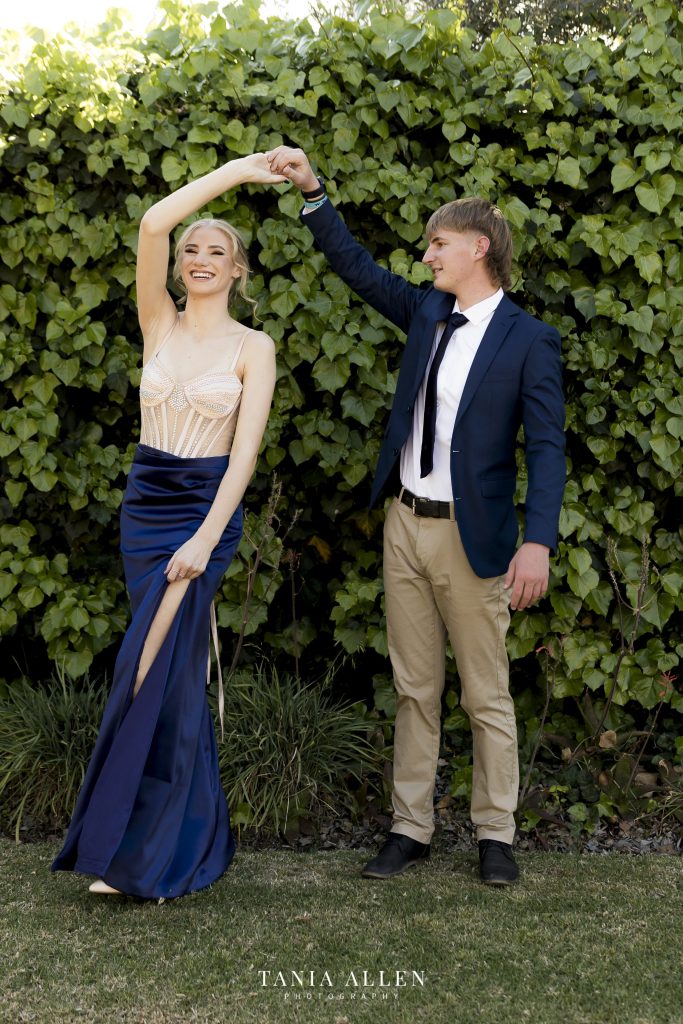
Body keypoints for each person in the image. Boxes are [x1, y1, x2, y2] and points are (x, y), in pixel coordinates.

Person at [266, 146, 565, 885]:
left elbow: (547, 449)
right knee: (413, 688)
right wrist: (313, 191)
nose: (426, 255)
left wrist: (537, 541)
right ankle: (410, 827)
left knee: (485, 694)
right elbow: (357, 268)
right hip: (403, 524)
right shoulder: (426, 310)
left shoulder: (529, 339)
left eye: (438, 243)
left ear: (478, 247)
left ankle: (495, 836)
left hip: (474, 536)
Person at [51, 153, 284, 898]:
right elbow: (153, 223)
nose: (199, 259)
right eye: (192, 250)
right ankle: (190, 838)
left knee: (149, 666)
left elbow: (244, 457)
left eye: (217, 251)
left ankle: (132, 852)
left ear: (238, 270)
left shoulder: (253, 348)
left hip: (203, 512)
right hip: (146, 507)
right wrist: (240, 170)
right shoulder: (158, 323)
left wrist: (204, 539)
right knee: (175, 674)